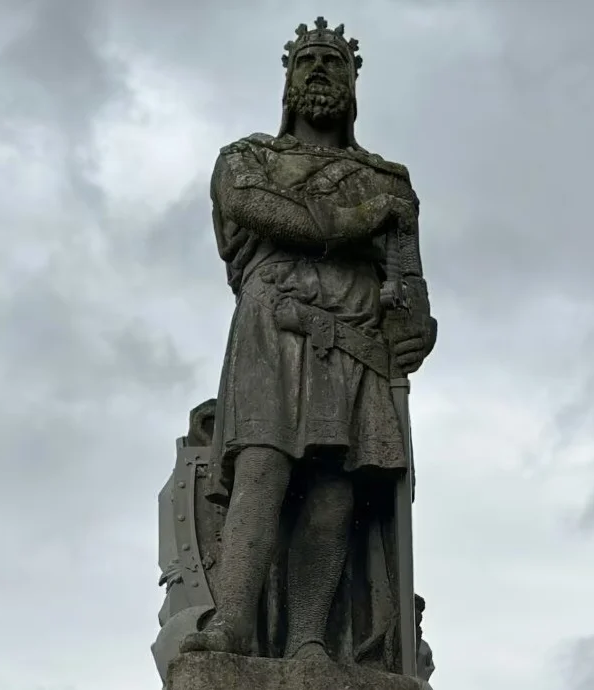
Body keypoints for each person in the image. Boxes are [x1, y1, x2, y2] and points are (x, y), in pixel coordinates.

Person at [180, 17, 436, 671]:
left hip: (354, 342)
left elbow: (409, 286)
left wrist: (413, 326)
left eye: (333, 62)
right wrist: (364, 218)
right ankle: (233, 624)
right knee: (262, 472)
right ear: (288, 82)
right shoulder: (246, 161)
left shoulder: (388, 178)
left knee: (333, 489)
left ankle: (309, 637)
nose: (320, 71)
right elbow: (274, 217)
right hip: (274, 329)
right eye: (306, 62)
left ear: (353, 84)